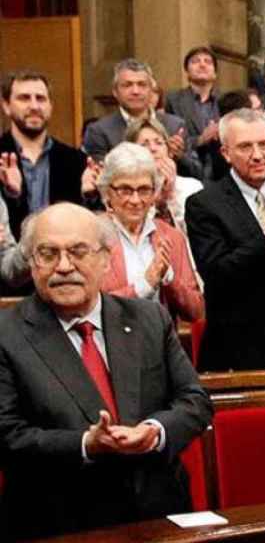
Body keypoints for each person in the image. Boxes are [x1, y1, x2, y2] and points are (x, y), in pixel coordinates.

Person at [0, 203, 212, 540]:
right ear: (31, 262)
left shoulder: (148, 319)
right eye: (48, 253)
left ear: (106, 258)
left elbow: (195, 401)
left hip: (158, 517)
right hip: (59, 524)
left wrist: (154, 431)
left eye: (78, 251)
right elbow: (7, 436)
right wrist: (86, 443)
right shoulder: (7, 334)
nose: (64, 266)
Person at [185, 108, 265, 372]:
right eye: (245, 147)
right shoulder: (204, 204)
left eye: (264, 145)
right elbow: (218, 275)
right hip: (240, 349)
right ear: (225, 153)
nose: (258, 155)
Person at [97, 142, 204, 322]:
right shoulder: (92, 236)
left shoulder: (171, 236)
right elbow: (88, 306)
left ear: (155, 192)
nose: (135, 200)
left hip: (160, 345)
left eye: (144, 190)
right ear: (108, 191)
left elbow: (196, 312)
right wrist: (144, 285)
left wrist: (170, 280)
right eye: (125, 190)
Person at [0, 70, 90, 241]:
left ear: (50, 105)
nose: (34, 106)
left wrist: (89, 196)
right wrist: (13, 195)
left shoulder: (75, 161)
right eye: (24, 98)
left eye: (40, 98)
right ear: (6, 106)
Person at [83, 59, 195, 176]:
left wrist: (180, 156)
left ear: (151, 90)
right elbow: (100, 178)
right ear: (115, 91)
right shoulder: (99, 131)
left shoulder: (175, 126)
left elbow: (197, 173)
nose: (135, 91)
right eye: (127, 85)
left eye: (142, 85)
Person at [125, 116, 205, 235]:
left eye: (159, 143)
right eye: (144, 145)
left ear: (168, 151)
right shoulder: (127, 192)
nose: (153, 149)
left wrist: (171, 197)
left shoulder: (192, 187)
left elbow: (199, 235)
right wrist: (158, 204)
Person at [164, 46, 222, 182]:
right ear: (187, 71)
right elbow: (171, 140)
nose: (202, 64)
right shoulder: (174, 100)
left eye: (207, 62)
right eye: (195, 61)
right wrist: (200, 140)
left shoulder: (225, 100)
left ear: (215, 73)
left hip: (220, 170)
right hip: (187, 171)